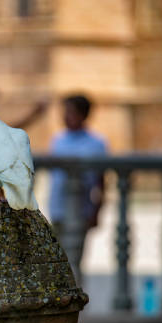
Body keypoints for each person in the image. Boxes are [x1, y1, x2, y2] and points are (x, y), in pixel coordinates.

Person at [48, 94, 108, 280]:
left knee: (74, 260)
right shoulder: (58, 139)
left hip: (81, 208)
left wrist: (97, 210)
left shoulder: (96, 143)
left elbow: (101, 180)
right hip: (57, 207)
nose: (66, 116)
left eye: (71, 112)